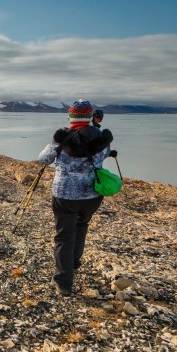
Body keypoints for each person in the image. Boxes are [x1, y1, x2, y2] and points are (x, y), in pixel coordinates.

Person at [38, 99, 115, 296]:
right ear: (90, 116)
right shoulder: (101, 139)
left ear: (70, 116)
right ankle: (73, 262)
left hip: (64, 194)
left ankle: (64, 282)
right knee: (82, 226)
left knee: (64, 235)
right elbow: (104, 155)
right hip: (92, 195)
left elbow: (43, 159)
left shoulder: (62, 138)